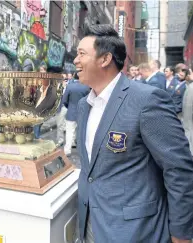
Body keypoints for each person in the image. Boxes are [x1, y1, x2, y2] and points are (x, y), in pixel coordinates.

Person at [74, 24, 193, 243]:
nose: (75, 60)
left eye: (81, 54)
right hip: (90, 224)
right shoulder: (84, 105)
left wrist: (181, 234)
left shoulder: (147, 100)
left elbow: (179, 169)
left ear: (105, 59)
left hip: (135, 232)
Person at [62, 72, 90, 155]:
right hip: (82, 113)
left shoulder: (69, 86)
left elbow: (64, 100)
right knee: (81, 132)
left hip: (71, 112)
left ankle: (67, 150)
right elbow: (88, 101)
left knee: (69, 131)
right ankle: (81, 149)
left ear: (74, 76)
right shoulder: (86, 87)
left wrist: (69, 107)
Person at [56, 72, 69, 145]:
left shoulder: (69, 86)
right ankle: (60, 140)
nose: (64, 80)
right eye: (62, 79)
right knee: (59, 124)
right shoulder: (57, 87)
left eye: (65, 79)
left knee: (69, 125)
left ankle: (70, 141)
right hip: (60, 107)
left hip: (68, 107)